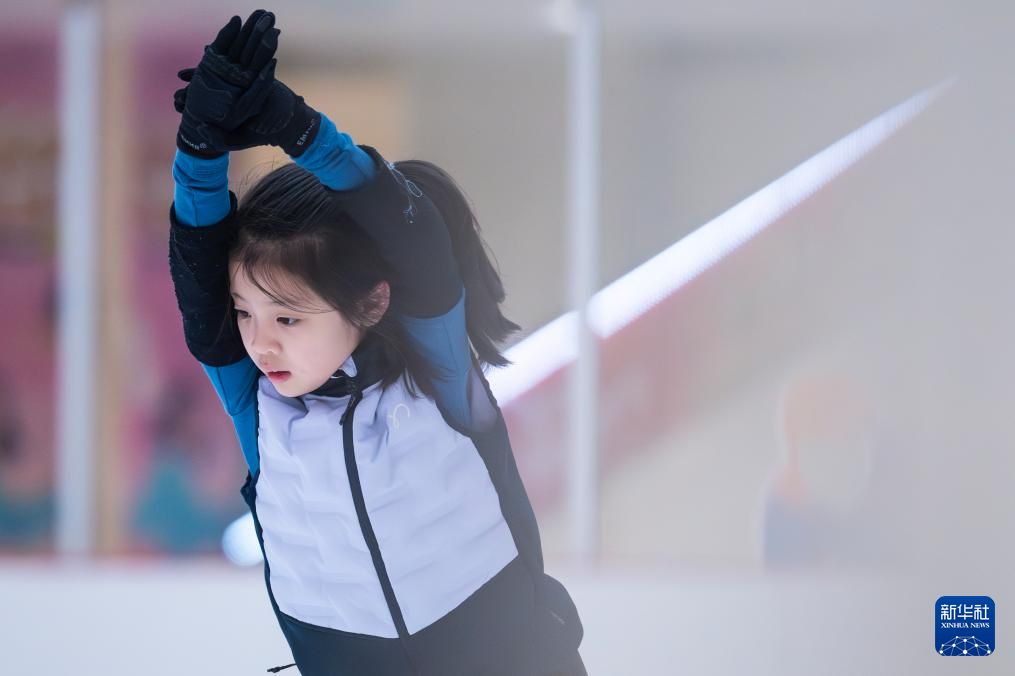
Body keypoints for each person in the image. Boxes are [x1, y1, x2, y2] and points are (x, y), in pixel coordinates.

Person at [167, 10, 586, 675]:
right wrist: (198, 150)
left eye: (288, 318)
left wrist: (295, 126)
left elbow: (415, 241)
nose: (259, 344)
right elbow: (197, 276)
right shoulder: (261, 409)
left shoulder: (434, 375)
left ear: (370, 301)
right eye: (245, 313)